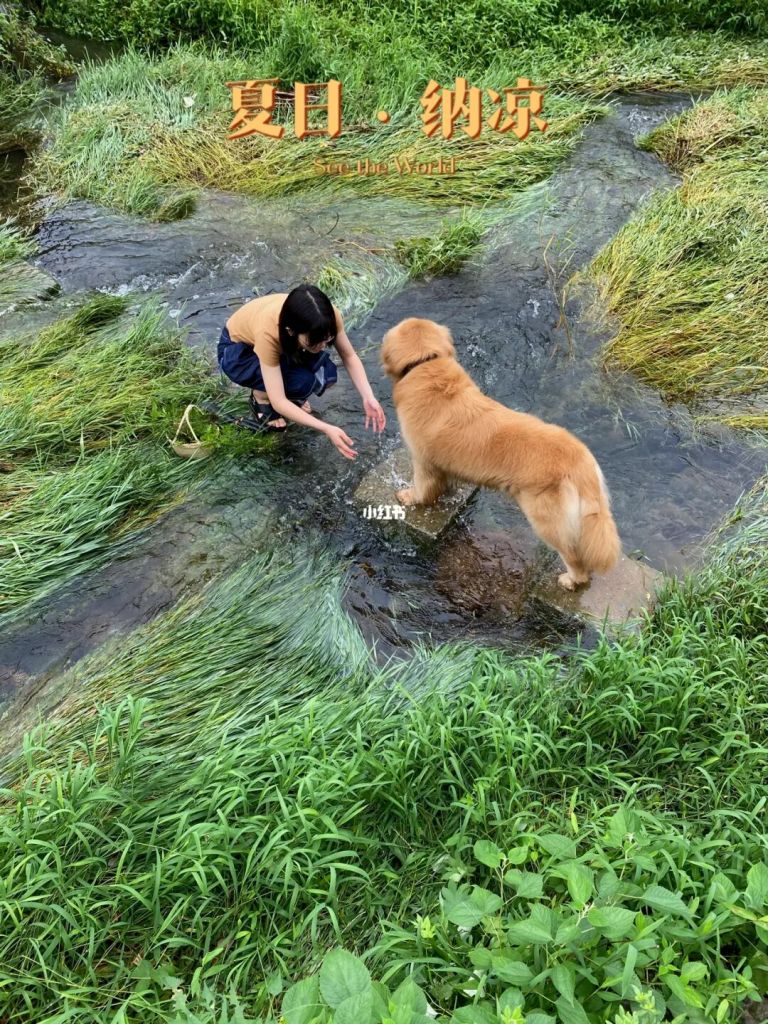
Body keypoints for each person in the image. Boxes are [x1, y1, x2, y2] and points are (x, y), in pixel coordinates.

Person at [218, 284, 385, 459]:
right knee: (301, 383)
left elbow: (349, 356)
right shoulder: (269, 332)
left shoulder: (327, 316)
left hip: (283, 342)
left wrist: (368, 396)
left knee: (324, 374)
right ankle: (260, 397)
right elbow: (279, 401)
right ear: (291, 331)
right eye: (313, 343)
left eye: (326, 340)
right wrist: (326, 427)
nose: (322, 347)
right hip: (236, 352)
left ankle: (285, 380)